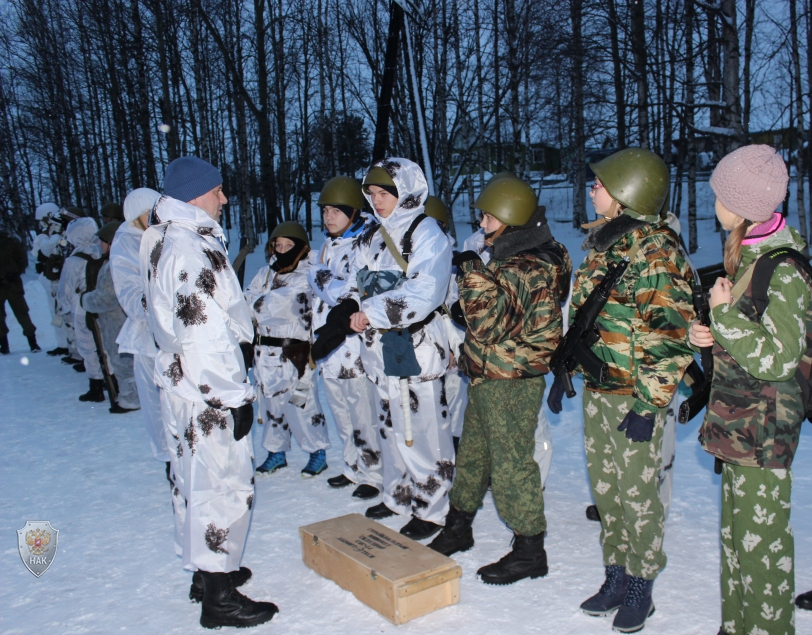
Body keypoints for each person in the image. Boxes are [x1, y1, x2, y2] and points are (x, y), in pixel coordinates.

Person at [553, 148, 694, 633]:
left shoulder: (656, 250)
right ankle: (615, 575)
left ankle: (641, 585)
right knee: (609, 492)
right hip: (600, 388)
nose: (591, 189)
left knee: (638, 495)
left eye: (599, 183)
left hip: (635, 395)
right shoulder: (608, 243)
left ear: (628, 193)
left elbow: (670, 335)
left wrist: (650, 405)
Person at [140, 156, 277, 629]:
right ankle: (219, 597)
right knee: (222, 485)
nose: (224, 198)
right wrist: (233, 395)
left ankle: (207, 572)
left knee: (192, 482)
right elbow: (205, 334)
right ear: (196, 194)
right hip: (206, 391)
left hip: (183, 385)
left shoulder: (168, 239)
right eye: (217, 190)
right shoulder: (189, 251)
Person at [427, 176, 570, 586]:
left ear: (510, 218)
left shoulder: (526, 264)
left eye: (488, 216)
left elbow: (488, 324)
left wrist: (471, 270)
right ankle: (458, 525)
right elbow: (505, 316)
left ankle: (530, 550)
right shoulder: (522, 254)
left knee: (510, 465)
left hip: (510, 379)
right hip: (491, 374)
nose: (483, 223)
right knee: (473, 454)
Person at [690, 145, 805, 635]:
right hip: (739, 423)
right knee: (737, 539)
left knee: (763, 548)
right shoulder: (748, 251)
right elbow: (748, 334)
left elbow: (780, 358)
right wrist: (712, 334)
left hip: (764, 429)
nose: (713, 200)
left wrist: (723, 317)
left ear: (738, 203)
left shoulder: (785, 268)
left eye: (719, 193)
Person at [325, 158, 454, 541]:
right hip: (378, 351)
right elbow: (353, 280)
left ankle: (432, 506)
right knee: (390, 427)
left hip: (414, 347)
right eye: (373, 194)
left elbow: (425, 290)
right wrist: (350, 308)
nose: (377, 201)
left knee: (422, 431)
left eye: (385, 193)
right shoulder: (373, 236)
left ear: (406, 191)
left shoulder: (426, 233)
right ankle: (398, 492)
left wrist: (371, 311)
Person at [307, 176, 382, 498]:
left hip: (353, 348)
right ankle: (353, 467)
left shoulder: (367, 242)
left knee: (363, 415)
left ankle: (374, 473)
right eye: (325, 210)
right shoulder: (328, 246)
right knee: (340, 413)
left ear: (353, 211)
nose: (328, 217)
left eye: (336, 211)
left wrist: (318, 275)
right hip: (330, 350)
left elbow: (349, 291)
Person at [244, 221, 331, 478]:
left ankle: (317, 452)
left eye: (288, 246)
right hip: (265, 354)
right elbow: (243, 302)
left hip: (295, 355)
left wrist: (257, 305)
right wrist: (256, 305)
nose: (281, 251)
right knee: (271, 405)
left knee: (301, 405)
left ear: (301, 248)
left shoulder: (308, 275)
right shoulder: (265, 274)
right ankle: (276, 452)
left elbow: (284, 307)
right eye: (277, 246)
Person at [110, 188, 172, 462]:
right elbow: (130, 294)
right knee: (156, 403)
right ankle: (169, 457)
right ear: (136, 217)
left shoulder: (165, 233)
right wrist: (160, 306)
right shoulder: (125, 243)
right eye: (150, 214)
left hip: (177, 332)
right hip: (148, 337)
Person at [81, 221, 140, 413]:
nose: (100, 245)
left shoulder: (115, 265)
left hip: (117, 321)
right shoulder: (123, 260)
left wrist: (86, 299)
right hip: (119, 320)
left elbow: (105, 298)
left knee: (123, 362)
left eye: (103, 241)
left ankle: (131, 399)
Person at [58, 217, 107, 399]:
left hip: (81, 306)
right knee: (106, 342)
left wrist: (65, 308)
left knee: (87, 346)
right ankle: (111, 378)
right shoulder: (102, 251)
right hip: (102, 302)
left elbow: (66, 289)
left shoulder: (74, 260)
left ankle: (96, 384)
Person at [33, 202, 70, 356]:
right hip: (51, 277)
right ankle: (63, 343)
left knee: (65, 311)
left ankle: (69, 344)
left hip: (63, 275)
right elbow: (40, 252)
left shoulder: (61, 234)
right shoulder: (44, 236)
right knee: (55, 311)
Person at [0, 227, 39, 355]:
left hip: (13, 285)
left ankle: (33, 343)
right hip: (7, 285)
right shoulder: (11, 242)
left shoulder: (11, 243)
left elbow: (22, 261)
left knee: (22, 314)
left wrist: (15, 273)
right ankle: (4, 346)